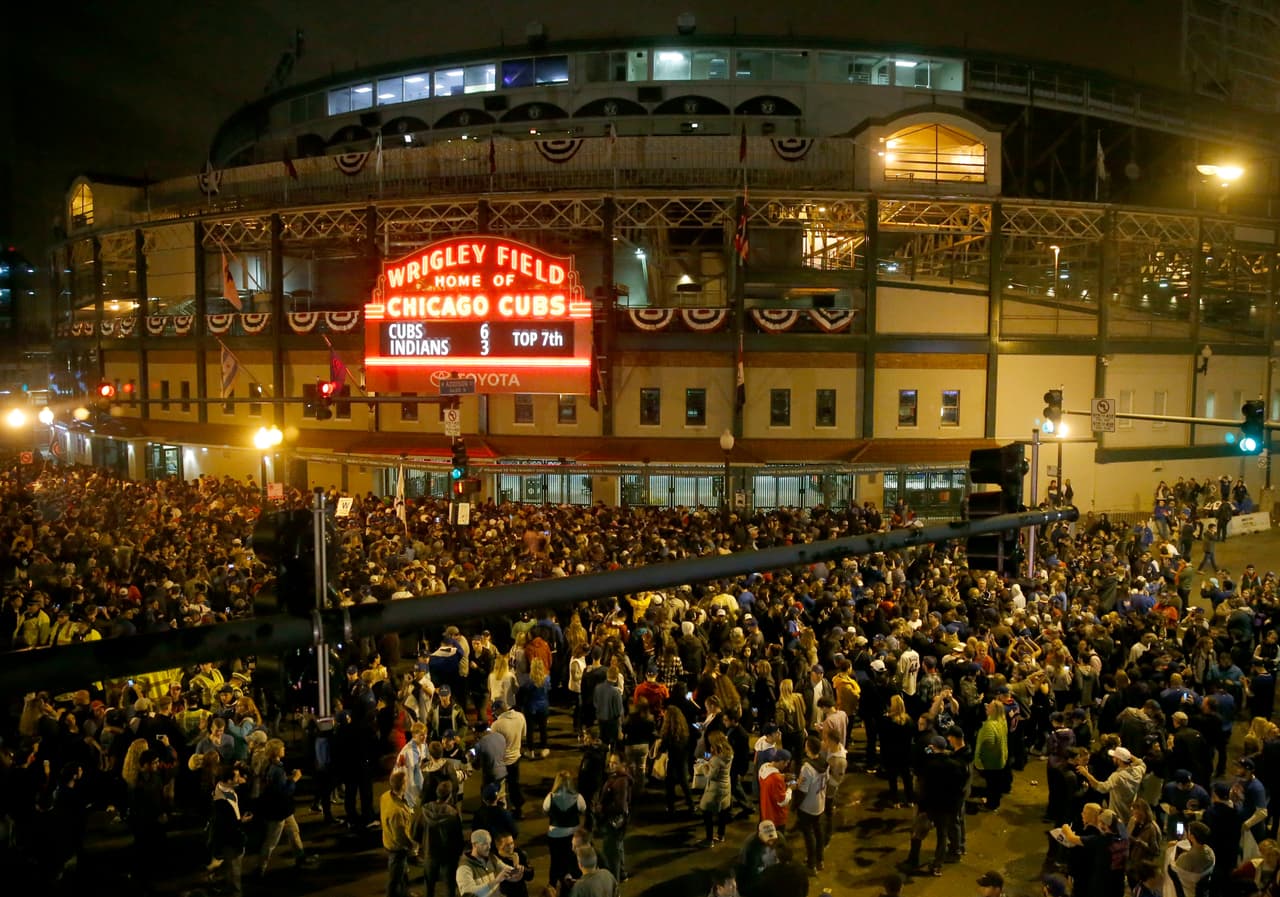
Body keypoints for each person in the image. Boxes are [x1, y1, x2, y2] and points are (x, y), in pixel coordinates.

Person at [254, 738, 317, 876]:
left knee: (294, 831)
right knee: (271, 840)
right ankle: (260, 868)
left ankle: (300, 857)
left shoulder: (270, 766)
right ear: (277, 751)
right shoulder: (277, 769)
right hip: (279, 810)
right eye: (282, 748)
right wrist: (294, 779)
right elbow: (283, 792)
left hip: (282, 809)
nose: (284, 749)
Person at [208, 762, 252, 897]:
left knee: (232, 868)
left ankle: (218, 875)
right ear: (228, 780)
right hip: (231, 839)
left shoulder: (227, 789)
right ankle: (235, 892)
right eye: (237, 777)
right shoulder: (221, 801)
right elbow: (226, 824)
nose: (239, 779)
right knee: (235, 870)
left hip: (234, 834)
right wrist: (241, 822)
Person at [794, 734, 830, 875]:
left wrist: (795, 804)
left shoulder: (807, 768)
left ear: (808, 748)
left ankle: (811, 863)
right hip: (820, 803)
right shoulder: (824, 762)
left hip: (808, 806)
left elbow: (803, 790)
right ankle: (820, 860)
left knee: (809, 835)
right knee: (818, 832)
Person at [544, 770, 587, 887]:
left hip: (554, 835)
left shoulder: (550, 797)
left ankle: (552, 885)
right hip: (572, 835)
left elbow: (546, 809)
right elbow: (583, 809)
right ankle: (576, 885)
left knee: (555, 861)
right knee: (573, 861)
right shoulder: (578, 797)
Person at [422, 780, 465, 897]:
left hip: (430, 852)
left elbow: (415, 831)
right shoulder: (453, 814)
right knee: (449, 886)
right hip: (448, 856)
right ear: (449, 795)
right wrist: (459, 852)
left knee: (429, 887)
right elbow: (458, 838)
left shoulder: (425, 810)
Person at [597, 752, 633, 882]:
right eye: (611, 762)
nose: (611, 765)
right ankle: (622, 874)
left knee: (612, 854)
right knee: (618, 848)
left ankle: (614, 881)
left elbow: (620, 806)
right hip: (616, 822)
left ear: (623, 764)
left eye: (615, 763)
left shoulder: (621, 781)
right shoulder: (618, 777)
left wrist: (602, 808)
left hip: (613, 822)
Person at [382, 767, 416, 897]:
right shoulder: (397, 811)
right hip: (397, 848)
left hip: (389, 841)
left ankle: (404, 893)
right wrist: (412, 846)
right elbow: (400, 836)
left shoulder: (385, 796)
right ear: (403, 785)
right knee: (395, 877)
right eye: (406, 781)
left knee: (402, 873)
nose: (408, 782)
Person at [492, 699, 528, 819]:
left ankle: (502, 812)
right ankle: (518, 809)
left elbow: (494, 744)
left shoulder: (497, 724)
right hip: (516, 757)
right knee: (514, 784)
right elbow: (523, 734)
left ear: (498, 710)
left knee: (500, 788)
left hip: (502, 760)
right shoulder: (520, 717)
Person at [456, 829, 518, 897]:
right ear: (475, 845)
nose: (489, 847)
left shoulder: (492, 858)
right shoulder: (464, 868)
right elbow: (469, 894)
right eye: (485, 843)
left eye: (489, 843)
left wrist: (516, 868)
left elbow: (507, 869)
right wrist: (496, 881)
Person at [738, 819, 790, 897]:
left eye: (773, 839)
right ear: (759, 834)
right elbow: (746, 867)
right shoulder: (750, 845)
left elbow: (785, 856)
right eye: (768, 840)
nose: (771, 842)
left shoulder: (780, 838)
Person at [699, 730, 734, 847]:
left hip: (715, 789)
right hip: (726, 786)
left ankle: (709, 840)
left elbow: (711, 776)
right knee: (723, 811)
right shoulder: (729, 754)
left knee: (706, 812)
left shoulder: (716, 759)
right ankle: (721, 835)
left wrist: (704, 767)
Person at [493, 832, 534, 897]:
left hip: (521, 893)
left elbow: (530, 876)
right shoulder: (493, 859)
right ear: (498, 845)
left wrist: (520, 867)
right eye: (507, 845)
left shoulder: (520, 853)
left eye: (512, 843)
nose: (511, 847)